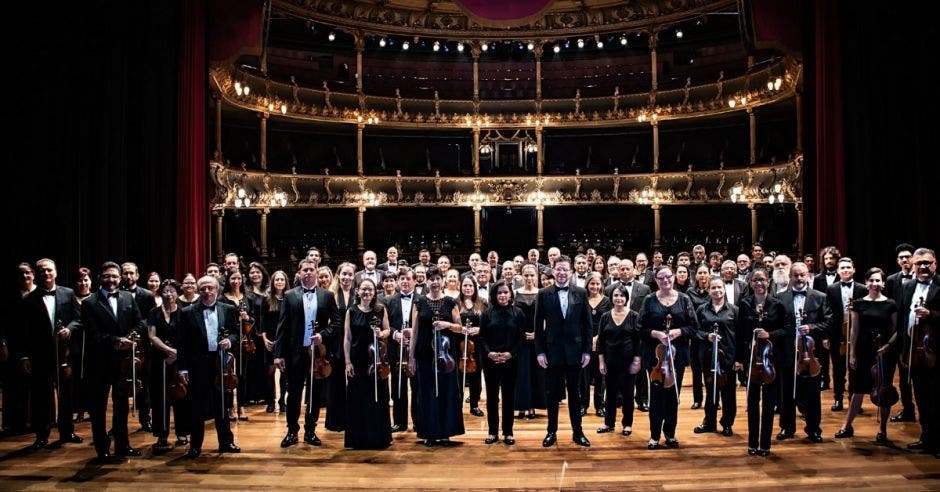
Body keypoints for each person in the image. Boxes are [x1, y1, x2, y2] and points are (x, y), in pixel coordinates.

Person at [83, 261, 146, 460]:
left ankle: (122, 446)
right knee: (98, 408)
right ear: (100, 278)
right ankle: (102, 449)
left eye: (115, 277)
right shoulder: (89, 302)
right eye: (107, 276)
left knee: (122, 406)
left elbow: (140, 322)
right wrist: (116, 341)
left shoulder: (128, 297)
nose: (111, 280)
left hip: (124, 362)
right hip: (100, 362)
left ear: (120, 279)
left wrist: (132, 337)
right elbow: (93, 334)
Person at [274, 259, 341, 447]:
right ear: (299, 273)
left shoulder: (327, 296)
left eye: (312, 269)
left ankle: (310, 431)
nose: (309, 272)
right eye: (305, 270)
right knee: (294, 393)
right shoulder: (289, 295)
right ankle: (292, 431)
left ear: (317, 271)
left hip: (318, 355)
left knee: (315, 394)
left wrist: (322, 335)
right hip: (295, 353)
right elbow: (282, 326)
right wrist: (278, 354)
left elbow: (336, 323)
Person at [18, 258, 83, 449]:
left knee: (66, 395)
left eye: (49, 270)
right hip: (41, 354)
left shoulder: (69, 293)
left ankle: (67, 431)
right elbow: (23, 331)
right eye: (42, 271)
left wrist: (69, 329)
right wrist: (24, 356)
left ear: (55, 272)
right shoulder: (29, 299)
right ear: (37, 274)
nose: (46, 274)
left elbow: (79, 319)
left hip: (65, 353)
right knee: (41, 396)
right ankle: (42, 434)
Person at [176, 275, 240, 458]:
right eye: (202, 288)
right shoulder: (187, 312)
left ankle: (226, 442)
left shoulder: (228, 309)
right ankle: (195, 445)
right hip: (197, 366)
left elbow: (236, 332)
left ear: (217, 290)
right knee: (197, 407)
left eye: (210, 288)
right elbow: (182, 343)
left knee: (222, 404)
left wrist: (231, 340)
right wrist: (183, 368)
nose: (206, 292)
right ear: (198, 290)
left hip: (220, 363)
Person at [835, 267, 898, 444]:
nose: (874, 284)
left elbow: (896, 331)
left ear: (883, 283)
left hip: (883, 354)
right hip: (863, 351)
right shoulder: (858, 303)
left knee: (884, 391)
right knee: (857, 390)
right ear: (866, 282)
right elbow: (854, 330)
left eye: (878, 280)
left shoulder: (891, 304)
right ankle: (846, 426)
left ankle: (883, 430)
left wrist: (887, 346)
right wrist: (852, 353)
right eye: (871, 280)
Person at [535, 255, 592, 448]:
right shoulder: (543, 293)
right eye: (558, 269)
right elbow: (537, 326)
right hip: (552, 352)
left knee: (575, 394)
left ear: (571, 271)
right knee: (552, 394)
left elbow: (587, 325)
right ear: (553, 270)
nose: (561, 273)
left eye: (565, 269)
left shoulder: (581, 292)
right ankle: (551, 432)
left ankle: (578, 432)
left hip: (575, 352)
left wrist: (587, 351)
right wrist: (540, 352)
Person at [639, 266, 698, 449]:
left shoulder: (684, 299)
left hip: (676, 356)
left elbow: (694, 327)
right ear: (656, 280)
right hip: (655, 357)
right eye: (661, 277)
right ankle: (654, 435)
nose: (665, 280)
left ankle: (670, 434)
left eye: (668, 276)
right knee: (656, 396)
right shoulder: (649, 300)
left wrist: (678, 331)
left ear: (674, 277)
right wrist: (656, 334)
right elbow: (640, 328)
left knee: (673, 395)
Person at [407, 266, 465, 446]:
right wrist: (411, 357)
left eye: (438, 278)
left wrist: (446, 325)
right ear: (427, 281)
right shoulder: (419, 303)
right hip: (424, 355)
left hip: (446, 356)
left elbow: (460, 328)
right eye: (431, 279)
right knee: (427, 394)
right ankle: (429, 433)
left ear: (443, 280)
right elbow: (415, 332)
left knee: (447, 392)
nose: (434, 282)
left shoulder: (450, 302)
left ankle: (446, 431)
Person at [775, 262, 831, 443]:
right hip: (788, 352)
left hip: (810, 354)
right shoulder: (780, 298)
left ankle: (814, 429)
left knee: (812, 393)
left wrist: (812, 327)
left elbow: (829, 321)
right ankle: (787, 427)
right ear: (790, 276)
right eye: (795, 275)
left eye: (802, 275)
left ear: (808, 276)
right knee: (787, 392)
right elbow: (776, 325)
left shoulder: (820, 297)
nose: (799, 279)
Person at [734, 267, 784, 456]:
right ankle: (752, 443)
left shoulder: (777, 305)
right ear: (750, 283)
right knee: (752, 402)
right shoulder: (745, 304)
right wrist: (739, 359)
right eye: (755, 280)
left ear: (768, 281)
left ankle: (765, 444)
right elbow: (740, 333)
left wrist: (769, 334)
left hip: (771, 360)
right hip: (751, 359)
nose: (759, 283)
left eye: (762, 280)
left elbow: (786, 330)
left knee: (769, 403)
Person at [343, 278, 393, 449]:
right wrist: (347, 361)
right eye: (364, 289)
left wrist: (381, 333)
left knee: (378, 399)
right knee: (357, 399)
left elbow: (388, 330)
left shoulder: (380, 310)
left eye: (370, 289)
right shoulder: (351, 311)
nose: (367, 292)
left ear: (374, 292)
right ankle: (358, 439)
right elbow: (347, 338)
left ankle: (378, 437)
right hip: (357, 360)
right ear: (357, 291)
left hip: (376, 360)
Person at [898, 247, 939, 456]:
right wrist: (903, 351)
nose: (923, 266)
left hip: (935, 353)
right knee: (921, 397)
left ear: (935, 264)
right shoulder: (908, 286)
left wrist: (931, 314)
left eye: (927, 262)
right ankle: (927, 437)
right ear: (912, 265)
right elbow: (904, 318)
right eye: (919, 263)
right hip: (914, 351)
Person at [479, 280, 525, 445]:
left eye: (506, 292)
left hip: (510, 360)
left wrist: (510, 354)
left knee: (508, 396)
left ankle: (508, 432)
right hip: (490, 361)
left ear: (511, 294)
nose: (503, 296)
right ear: (494, 295)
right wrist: (489, 353)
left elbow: (521, 338)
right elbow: (482, 336)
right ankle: (492, 432)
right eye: (499, 293)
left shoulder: (518, 313)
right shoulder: (487, 313)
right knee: (492, 397)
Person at [147, 279, 191, 448]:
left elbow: (187, 337)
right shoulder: (154, 312)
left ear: (177, 293)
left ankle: (181, 432)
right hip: (159, 359)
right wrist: (167, 350)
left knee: (180, 396)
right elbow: (152, 336)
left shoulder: (184, 312)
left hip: (179, 360)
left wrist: (177, 353)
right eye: (165, 291)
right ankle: (161, 434)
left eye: (172, 291)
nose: (168, 294)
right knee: (159, 398)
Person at [693, 278, 738, 437]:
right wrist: (707, 336)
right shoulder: (702, 310)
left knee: (728, 392)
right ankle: (709, 422)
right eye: (713, 287)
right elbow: (695, 331)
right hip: (708, 356)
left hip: (728, 356)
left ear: (724, 289)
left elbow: (739, 336)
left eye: (719, 287)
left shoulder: (734, 310)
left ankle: (727, 423)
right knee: (711, 390)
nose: (717, 290)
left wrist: (738, 360)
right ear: (709, 290)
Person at [596, 284, 642, 437]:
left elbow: (638, 341)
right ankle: (609, 423)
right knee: (610, 393)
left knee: (628, 394)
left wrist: (637, 361)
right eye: (616, 295)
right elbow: (601, 341)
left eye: (622, 296)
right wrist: (601, 362)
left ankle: (627, 424)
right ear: (611, 298)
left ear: (626, 298)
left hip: (628, 362)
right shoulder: (605, 316)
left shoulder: (634, 316)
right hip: (610, 361)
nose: (618, 298)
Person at [825, 257, 866, 412]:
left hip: (857, 333)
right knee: (838, 369)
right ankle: (838, 399)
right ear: (838, 271)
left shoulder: (862, 288)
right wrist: (826, 336)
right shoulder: (832, 288)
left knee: (855, 368)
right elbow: (828, 313)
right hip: (837, 334)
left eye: (848, 267)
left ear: (854, 269)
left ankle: (853, 400)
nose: (846, 270)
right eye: (842, 268)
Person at [120, 262, 155, 431]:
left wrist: (135, 332)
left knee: (144, 383)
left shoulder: (147, 295)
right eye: (125, 273)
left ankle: (145, 419)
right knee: (121, 383)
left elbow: (149, 319)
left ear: (137, 275)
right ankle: (119, 423)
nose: (128, 276)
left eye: (131, 273)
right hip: (121, 342)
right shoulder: (115, 293)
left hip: (142, 344)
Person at [218, 269, 255, 421]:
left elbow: (253, 321)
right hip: (229, 340)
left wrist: (247, 318)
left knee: (242, 375)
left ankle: (241, 406)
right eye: (233, 278)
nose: (236, 281)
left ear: (242, 280)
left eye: (238, 278)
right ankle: (229, 407)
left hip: (244, 341)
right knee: (228, 375)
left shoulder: (247, 298)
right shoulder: (222, 298)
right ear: (228, 280)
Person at [326, 262, 356, 432]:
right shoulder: (331, 294)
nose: (347, 277)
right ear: (338, 275)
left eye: (350, 274)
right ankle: (335, 421)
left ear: (354, 276)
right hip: (335, 341)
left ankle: (352, 418)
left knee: (353, 379)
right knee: (335, 381)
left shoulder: (357, 293)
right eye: (344, 274)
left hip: (353, 339)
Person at [387, 267, 418, 433]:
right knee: (398, 387)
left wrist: (413, 334)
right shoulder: (390, 300)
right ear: (398, 282)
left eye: (408, 278)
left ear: (414, 280)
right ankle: (399, 422)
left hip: (415, 350)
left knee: (417, 387)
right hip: (396, 349)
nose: (405, 281)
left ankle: (418, 421)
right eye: (402, 279)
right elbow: (386, 324)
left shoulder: (421, 300)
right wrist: (396, 334)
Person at [514, 263, 545, 420]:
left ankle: (532, 405)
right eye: (526, 275)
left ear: (536, 276)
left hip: (537, 338)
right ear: (521, 276)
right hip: (520, 339)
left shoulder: (542, 293)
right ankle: (521, 405)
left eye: (532, 275)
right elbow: (512, 317)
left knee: (535, 373)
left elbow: (547, 318)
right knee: (521, 373)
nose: (529, 278)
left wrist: (537, 334)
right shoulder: (515, 293)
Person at [457, 276, 485, 417]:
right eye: (465, 285)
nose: (468, 288)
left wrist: (479, 329)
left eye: (470, 286)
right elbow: (451, 322)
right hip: (459, 344)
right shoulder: (455, 303)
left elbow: (488, 323)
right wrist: (460, 328)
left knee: (476, 375)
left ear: (475, 288)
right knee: (458, 374)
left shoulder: (482, 303)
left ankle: (474, 405)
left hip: (477, 345)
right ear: (460, 287)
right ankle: (458, 404)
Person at [584, 272, 611, 416]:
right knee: (584, 376)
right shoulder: (582, 299)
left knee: (601, 375)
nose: (594, 286)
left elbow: (608, 322)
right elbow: (579, 322)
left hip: (602, 341)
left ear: (601, 285)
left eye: (597, 284)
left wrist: (597, 338)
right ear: (587, 284)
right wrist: (589, 338)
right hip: (584, 341)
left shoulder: (607, 301)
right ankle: (583, 404)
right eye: (592, 283)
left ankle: (600, 406)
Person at [262, 271, 290, 413]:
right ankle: (271, 402)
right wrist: (265, 339)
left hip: (284, 340)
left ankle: (282, 401)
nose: (279, 282)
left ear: (286, 281)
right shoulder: (266, 299)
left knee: (284, 373)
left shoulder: (290, 297)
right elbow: (262, 321)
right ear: (273, 282)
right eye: (277, 280)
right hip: (271, 339)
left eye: (282, 279)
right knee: (270, 372)